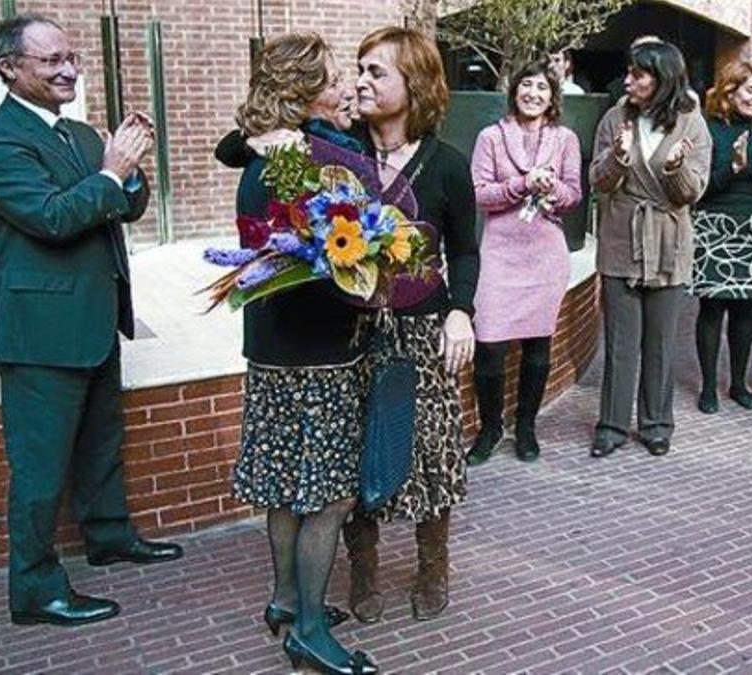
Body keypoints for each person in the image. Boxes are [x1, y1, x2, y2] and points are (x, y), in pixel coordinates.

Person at [0, 13, 181, 628]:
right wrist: (112, 170)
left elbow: (121, 207)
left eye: (72, 57)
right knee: (39, 468)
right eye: (51, 60)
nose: (68, 70)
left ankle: (109, 537)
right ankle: (34, 589)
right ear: (10, 68)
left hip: (94, 320)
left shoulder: (81, 135)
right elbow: (53, 217)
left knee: (100, 444)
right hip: (37, 332)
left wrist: (130, 170)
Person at [217, 33, 377, 674]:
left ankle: (286, 598)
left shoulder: (265, 155)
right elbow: (338, 251)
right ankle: (310, 629)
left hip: (271, 346)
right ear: (301, 90)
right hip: (319, 352)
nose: (344, 89)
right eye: (333, 78)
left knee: (284, 483)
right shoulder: (313, 157)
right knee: (330, 495)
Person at [343, 26, 478, 624]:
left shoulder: (447, 165)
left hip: (424, 329)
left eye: (378, 72)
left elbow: (467, 251)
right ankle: (363, 570)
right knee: (354, 449)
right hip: (348, 334)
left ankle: (433, 567)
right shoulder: (336, 152)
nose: (363, 81)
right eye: (360, 69)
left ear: (415, 84)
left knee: (431, 449)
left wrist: (459, 311)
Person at [589, 40, 712, 458]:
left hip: (669, 241)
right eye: (629, 72)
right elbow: (598, 182)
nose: (628, 80)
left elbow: (692, 192)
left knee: (660, 341)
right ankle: (612, 424)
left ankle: (657, 424)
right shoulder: (613, 117)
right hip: (621, 237)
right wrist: (618, 159)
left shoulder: (691, 123)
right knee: (621, 341)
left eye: (638, 75)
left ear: (663, 79)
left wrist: (676, 168)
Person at [466, 60, 583, 465]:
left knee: (538, 345)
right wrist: (521, 184)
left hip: (545, 254)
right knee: (490, 346)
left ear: (553, 97)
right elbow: (478, 194)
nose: (533, 93)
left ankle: (526, 425)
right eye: (526, 86)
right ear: (514, 91)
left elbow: (575, 193)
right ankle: (490, 427)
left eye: (543, 88)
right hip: (500, 253)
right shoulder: (491, 137)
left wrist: (553, 194)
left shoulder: (565, 139)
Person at [691, 61, 752, 413]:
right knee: (712, 309)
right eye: (751, 90)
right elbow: (702, 189)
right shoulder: (709, 129)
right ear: (730, 90)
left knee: (747, 311)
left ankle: (739, 383)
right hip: (715, 224)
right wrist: (732, 168)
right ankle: (709, 387)